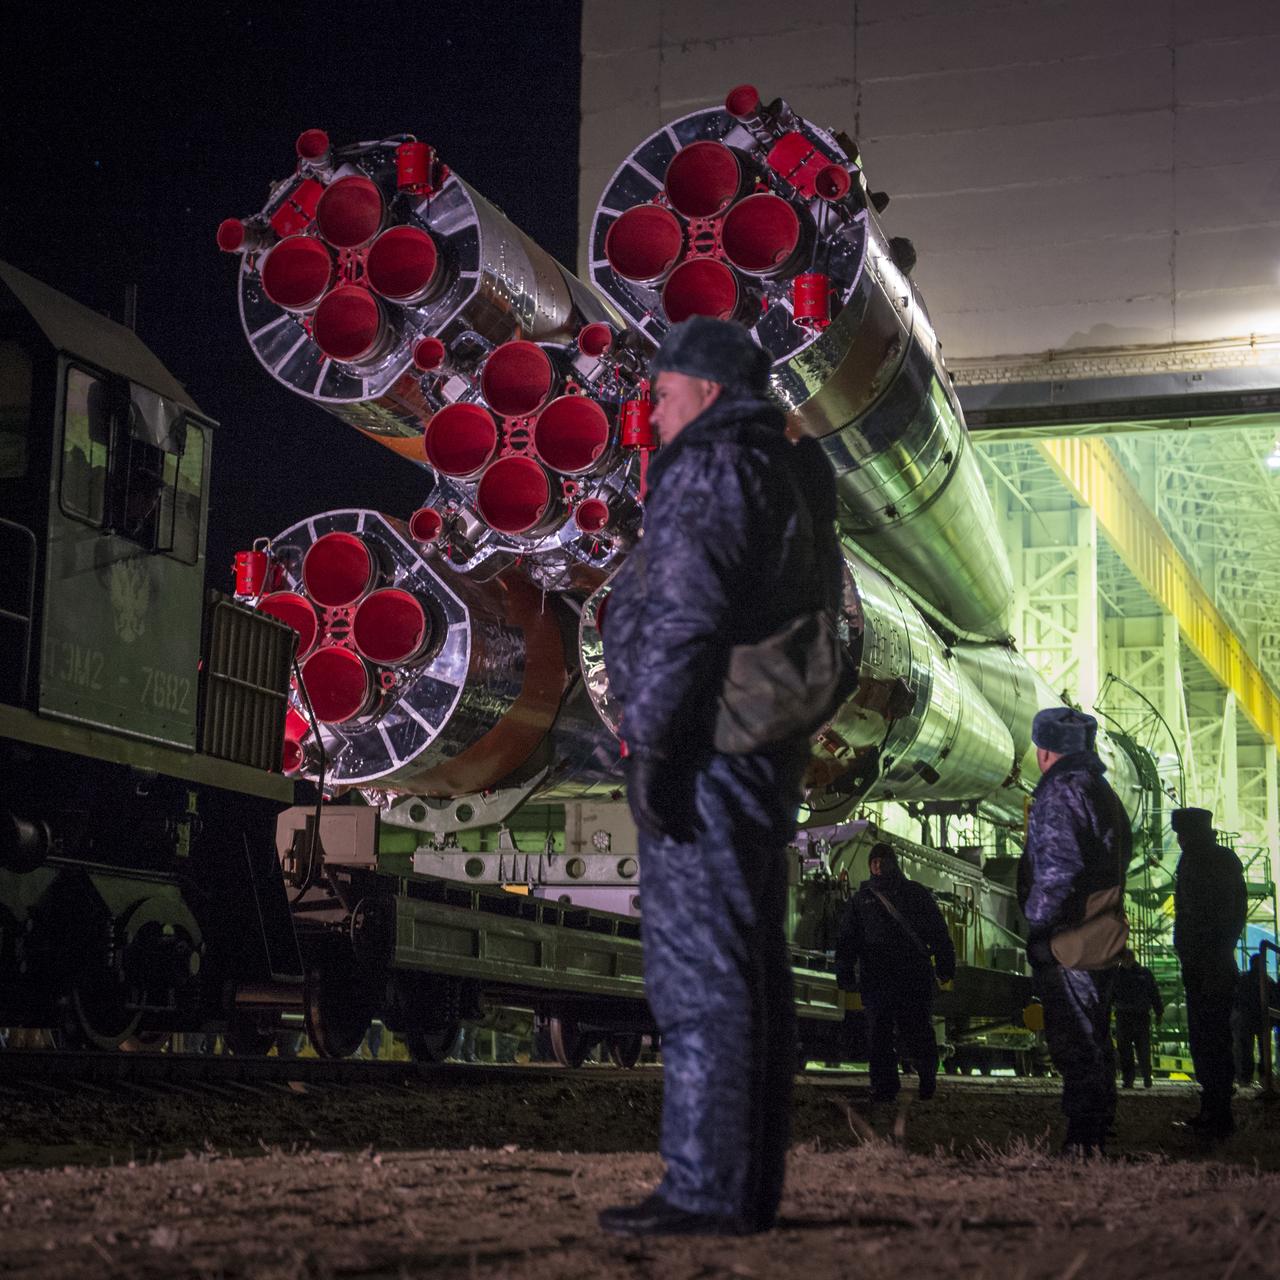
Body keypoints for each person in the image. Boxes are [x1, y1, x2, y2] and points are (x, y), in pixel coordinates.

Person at [598, 316, 842, 1237]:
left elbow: (680, 625)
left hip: (709, 750)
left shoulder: (707, 470)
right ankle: (742, 1189)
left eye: (661, 393)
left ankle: (707, 1191)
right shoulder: (777, 467)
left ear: (704, 389)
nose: (652, 413)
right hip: (753, 743)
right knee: (748, 967)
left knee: (703, 974)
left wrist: (652, 753)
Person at [1018, 707, 1132, 1156]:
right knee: (1096, 1034)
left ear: (1045, 751)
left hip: (1070, 937)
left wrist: (1041, 928)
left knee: (1076, 1038)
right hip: (1103, 928)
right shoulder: (1100, 789)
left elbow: (1057, 867)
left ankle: (1084, 1138)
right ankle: (1095, 1127)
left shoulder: (1061, 791)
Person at [835, 842, 955, 1104]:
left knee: (916, 1030)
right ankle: (885, 1087)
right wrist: (844, 970)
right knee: (880, 1034)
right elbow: (848, 939)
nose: (877, 865)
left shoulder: (912, 894)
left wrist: (946, 964)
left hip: (909, 976)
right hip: (880, 977)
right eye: (874, 861)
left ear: (892, 862)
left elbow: (937, 933)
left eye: (882, 860)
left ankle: (926, 1076)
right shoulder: (864, 900)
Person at [1172, 807, 1246, 1139]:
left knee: (1207, 1036)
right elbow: (1236, 911)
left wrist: (1195, 948)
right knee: (1213, 1035)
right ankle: (1216, 1109)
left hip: (1205, 962)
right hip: (1215, 960)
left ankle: (1216, 1112)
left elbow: (1195, 914)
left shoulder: (1196, 862)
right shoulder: (1223, 860)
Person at [1112, 948, 1163, 1089]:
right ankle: (1136, 1079)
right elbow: (1154, 993)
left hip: (1132, 1016)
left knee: (1139, 1049)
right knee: (1133, 1049)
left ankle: (1140, 1078)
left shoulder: (1118, 975)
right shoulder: (1142, 974)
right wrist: (1159, 1011)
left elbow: (1153, 993)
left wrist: (1159, 1011)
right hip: (1132, 1016)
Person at [1232, 952, 1277, 1086]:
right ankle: (1264, 1077)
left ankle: (1246, 1078)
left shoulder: (1244, 979)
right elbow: (1273, 1001)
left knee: (1247, 1050)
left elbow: (1236, 999)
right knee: (1263, 1050)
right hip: (1261, 1019)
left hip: (1247, 1019)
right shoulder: (1267, 980)